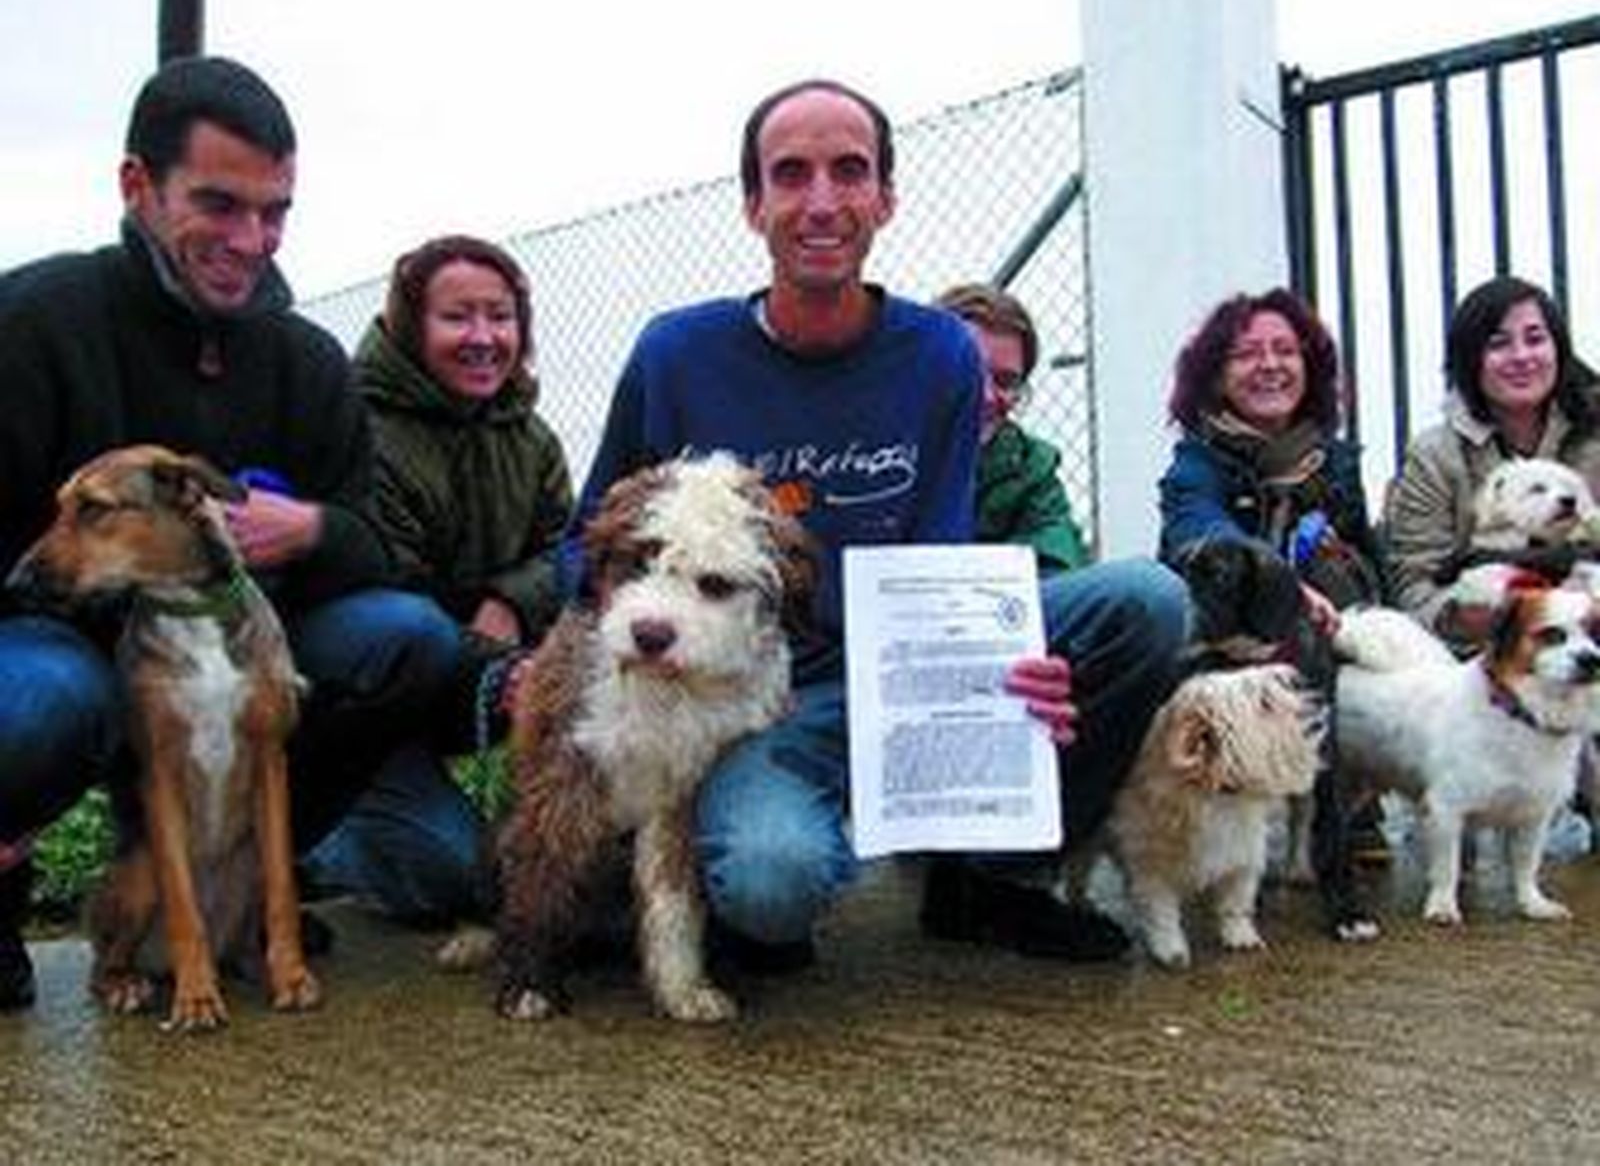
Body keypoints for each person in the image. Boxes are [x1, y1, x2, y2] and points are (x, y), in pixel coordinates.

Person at [572, 79, 1188, 970]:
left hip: (904, 657)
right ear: (753, 204)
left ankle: (995, 874)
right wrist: (570, 652)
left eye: (849, 171)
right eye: (791, 175)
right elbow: (588, 541)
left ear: (886, 198)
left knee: (1146, 599)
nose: (821, 201)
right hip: (760, 697)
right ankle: (733, 880)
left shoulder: (939, 350)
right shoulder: (675, 353)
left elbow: (940, 564)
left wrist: (1001, 668)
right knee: (770, 883)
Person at [0, 57, 463, 1010]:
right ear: (137, 186)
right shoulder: (38, 319)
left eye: (276, 211)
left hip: (241, 647)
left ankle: (252, 880)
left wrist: (315, 530)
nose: (252, 241)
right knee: (39, 698)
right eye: (219, 204)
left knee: (410, 637)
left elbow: (379, 546)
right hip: (65, 646)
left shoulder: (305, 359)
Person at [303, 235, 573, 923]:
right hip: (374, 707)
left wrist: (509, 601)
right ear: (409, 325)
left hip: (487, 672)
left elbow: (567, 551)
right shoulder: (362, 430)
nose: (484, 337)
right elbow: (395, 592)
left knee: (538, 861)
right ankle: (308, 838)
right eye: (458, 317)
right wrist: (503, 668)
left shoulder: (533, 437)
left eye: (501, 316)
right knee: (456, 880)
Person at [1157, 287, 1388, 896]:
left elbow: (1369, 556)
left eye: (1285, 350)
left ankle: (1341, 809)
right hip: (1224, 637)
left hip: (1321, 630)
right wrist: (1283, 586)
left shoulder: (1335, 462)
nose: (1269, 365)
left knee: (1345, 593)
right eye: (1246, 354)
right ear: (1214, 376)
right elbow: (1198, 535)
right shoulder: (1195, 464)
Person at [1386, 275, 1600, 648]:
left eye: (1535, 339)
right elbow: (1413, 588)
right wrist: (1476, 618)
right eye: (1498, 344)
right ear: (1470, 359)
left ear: (1558, 348)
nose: (1521, 357)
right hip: (1481, 661)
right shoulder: (1434, 455)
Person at [933, 283, 1089, 573]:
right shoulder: (870, 449)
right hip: (887, 609)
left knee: (1143, 587)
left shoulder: (1031, 465)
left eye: (1006, 382)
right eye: (969, 373)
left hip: (1006, 609)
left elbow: (1056, 566)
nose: (988, 396)